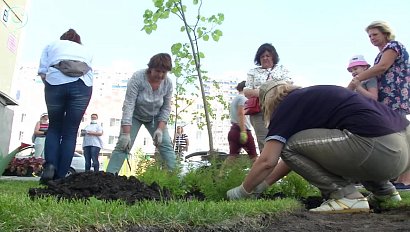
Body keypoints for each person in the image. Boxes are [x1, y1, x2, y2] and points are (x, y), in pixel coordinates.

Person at [227, 80, 410, 213]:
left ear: (269, 102)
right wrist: (262, 185)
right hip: (401, 149)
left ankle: (345, 197)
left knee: (289, 145)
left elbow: (268, 160)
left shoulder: (287, 106)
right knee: (347, 142)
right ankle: (385, 193)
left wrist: (243, 190)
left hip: (376, 149)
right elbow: (299, 158)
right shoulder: (318, 98)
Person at [347, 21, 410, 190]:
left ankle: (406, 179)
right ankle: (399, 177)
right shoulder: (379, 54)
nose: (372, 38)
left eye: (375, 34)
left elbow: (382, 67)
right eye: (369, 36)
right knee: (396, 135)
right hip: (386, 99)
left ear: (385, 33)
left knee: (403, 135)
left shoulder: (393, 46)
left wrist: (357, 81)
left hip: (396, 96)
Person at [37, 28, 93, 183]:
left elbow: (42, 72)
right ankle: (61, 176)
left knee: (54, 127)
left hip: (55, 83)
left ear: (62, 38)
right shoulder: (86, 50)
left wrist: (51, 86)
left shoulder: (52, 45)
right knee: (70, 131)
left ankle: (50, 167)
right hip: (82, 86)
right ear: (78, 40)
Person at [106, 53, 176, 173]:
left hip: (156, 117)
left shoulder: (168, 84)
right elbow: (129, 104)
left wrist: (159, 129)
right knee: (123, 146)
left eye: (164, 72)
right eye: (157, 71)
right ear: (150, 68)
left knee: (166, 146)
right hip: (135, 115)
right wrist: (126, 134)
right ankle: (107, 178)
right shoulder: (138, 77)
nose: (160, 75)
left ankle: (176, 180)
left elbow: (166, 108)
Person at [243, 43, 292, 152]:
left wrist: (259, 91)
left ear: (273, 56)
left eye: (268, 55)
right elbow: (247, 91)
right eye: (262, 56)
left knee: (281, 138)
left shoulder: (282, 70)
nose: (265, 58)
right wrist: (270, 91)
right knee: (263, 141)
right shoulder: (253, 72)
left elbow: (288, 87)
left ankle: (281, 166)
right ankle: (267, 166)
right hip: (259, 110)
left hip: (279, 109)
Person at [227, 81, 258, 163]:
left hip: (233, 129)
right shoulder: (243, 98)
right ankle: (261, 175)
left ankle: (220, 175)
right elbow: (241, 113)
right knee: (254, 157)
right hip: (242, 130)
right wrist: (243, 132)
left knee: (232, 157)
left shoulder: (236, 98)